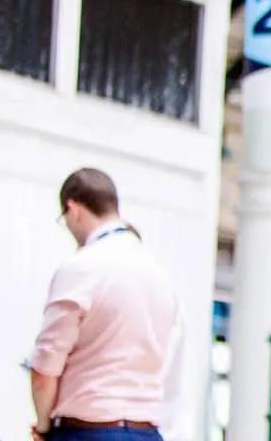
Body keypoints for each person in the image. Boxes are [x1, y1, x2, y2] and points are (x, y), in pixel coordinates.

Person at [27, 169, 180, 441]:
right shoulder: (160, 273)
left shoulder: (81, 267)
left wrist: (43, 427)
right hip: (148, 431)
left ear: (73, 209)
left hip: (88, 430)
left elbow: (45, 368)